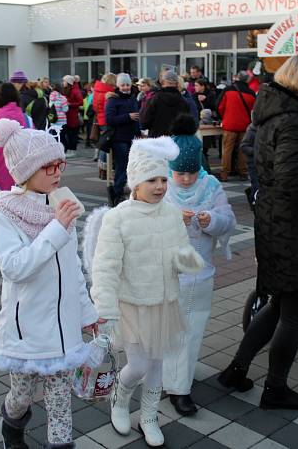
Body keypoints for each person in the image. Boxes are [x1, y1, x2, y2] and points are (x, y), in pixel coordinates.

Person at [219, 55, 298, 410]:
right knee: (293, 315)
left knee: (279, 306)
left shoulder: (279, 116)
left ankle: (236, 369)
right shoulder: (293, 121)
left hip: (280, 224)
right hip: (297, 231)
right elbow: (293, 176)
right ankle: (275, 388)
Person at [0, 117, 97, 449]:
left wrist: (87, 312)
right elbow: (15, 268)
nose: (56, 172)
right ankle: (12, 425)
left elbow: (73, 267)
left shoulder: (62, 205)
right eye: (47, 166)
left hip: (63, 333)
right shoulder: (3, 213)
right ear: (24, 172)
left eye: (59, 164)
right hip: (26, 333)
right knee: (21, 396)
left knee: (61, 405)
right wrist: (56, 229)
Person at [91, 136, 204, 447]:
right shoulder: (118, 218)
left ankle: (150, 416)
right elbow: (105, 267)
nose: (159, 186)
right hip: (132, 304)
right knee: (139, 364)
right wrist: (104, 307)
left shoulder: (170, 213)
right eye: (151, 180)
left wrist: (191, 263)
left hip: (164, 303)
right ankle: (119, 397)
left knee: (157, 364)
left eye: (162, 179)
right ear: (135, 183)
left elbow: (179, 250)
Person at [163, 115, 236, 416]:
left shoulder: (211, 185)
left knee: (192, 329)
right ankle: (171, 380)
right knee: (167, 330)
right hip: (167, 274)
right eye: (180, 172)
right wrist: (172, 220)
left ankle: (180, 385)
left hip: (201, 273)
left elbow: (229, 220)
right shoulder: (160, 185)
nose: (186, 179)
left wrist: (212, 221)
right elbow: (141, 222)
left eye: (192, 172)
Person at [105, 73, 141, 206]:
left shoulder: (132, 98)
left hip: (131, 138)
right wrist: (128, 117)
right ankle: (116, 192)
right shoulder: (113, 100)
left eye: (127, 85)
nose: (126, 87)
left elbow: (136, 118)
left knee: (130, 165)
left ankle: (118, 191)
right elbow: (109, 120)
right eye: (123, 85)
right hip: (119, 138)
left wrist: (138, 133)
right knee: (123, 165)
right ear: (118, 86)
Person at [217, 71, 256, 182]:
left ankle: (225, 174)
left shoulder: (228, 90)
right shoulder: (251, 93)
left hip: (230, 124)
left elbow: (219, 106)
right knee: (242, 150)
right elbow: (254, 110)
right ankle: (243, 173)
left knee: (227, 150)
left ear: (238, 78)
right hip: (245, 125)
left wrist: (224, 117)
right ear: (247, 80)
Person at [141, 70, 190, 138]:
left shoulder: (154, 98)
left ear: (163, 82)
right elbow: (187, 124)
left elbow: (144, 121)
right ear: (176, 83)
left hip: (156, 139)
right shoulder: (184, 101)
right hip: (176, 140)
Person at [62, 75, 83, 158]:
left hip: (73, 116)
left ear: (69, 82)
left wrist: (70, 104)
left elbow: (81, 102)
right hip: (66, 115)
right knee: (68, 134)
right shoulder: (66, 90)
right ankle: (69, 149)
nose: (63, 83)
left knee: (72, 134)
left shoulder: (75, 91)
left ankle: (73, 150)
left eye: (64, 81)